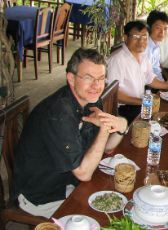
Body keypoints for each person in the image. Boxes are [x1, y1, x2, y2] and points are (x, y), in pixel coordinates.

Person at [12, 48, 128, 218]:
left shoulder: (90, 101)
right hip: (40, 195)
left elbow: (105, 148)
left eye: (101, 78)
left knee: (120, 200)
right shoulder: (58, 113)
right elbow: (84, 173)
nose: (96, 86)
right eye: (88, 78)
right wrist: (105, 128)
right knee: (106, 218)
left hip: (68, 182)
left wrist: (122, 126)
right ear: (71, 78)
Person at [107, 21, 168, 123]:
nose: (141, 41)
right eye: (136, 37)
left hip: (138, 104)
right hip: (122, 110)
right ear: (126, 37)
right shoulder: (117, 60)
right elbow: (114, 94)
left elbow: (151, 80)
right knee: (161, 120)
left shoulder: (143, 56)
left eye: (144, 37)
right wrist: (143, 102)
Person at [146, 10, 168, 81]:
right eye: (158, 28)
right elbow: (145, 75)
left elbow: (156, 69)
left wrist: (164, 84)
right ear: (149, 28)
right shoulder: (144, 46)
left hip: (153, 84)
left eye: (165, 29)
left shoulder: (156, 45)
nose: (162, 32)